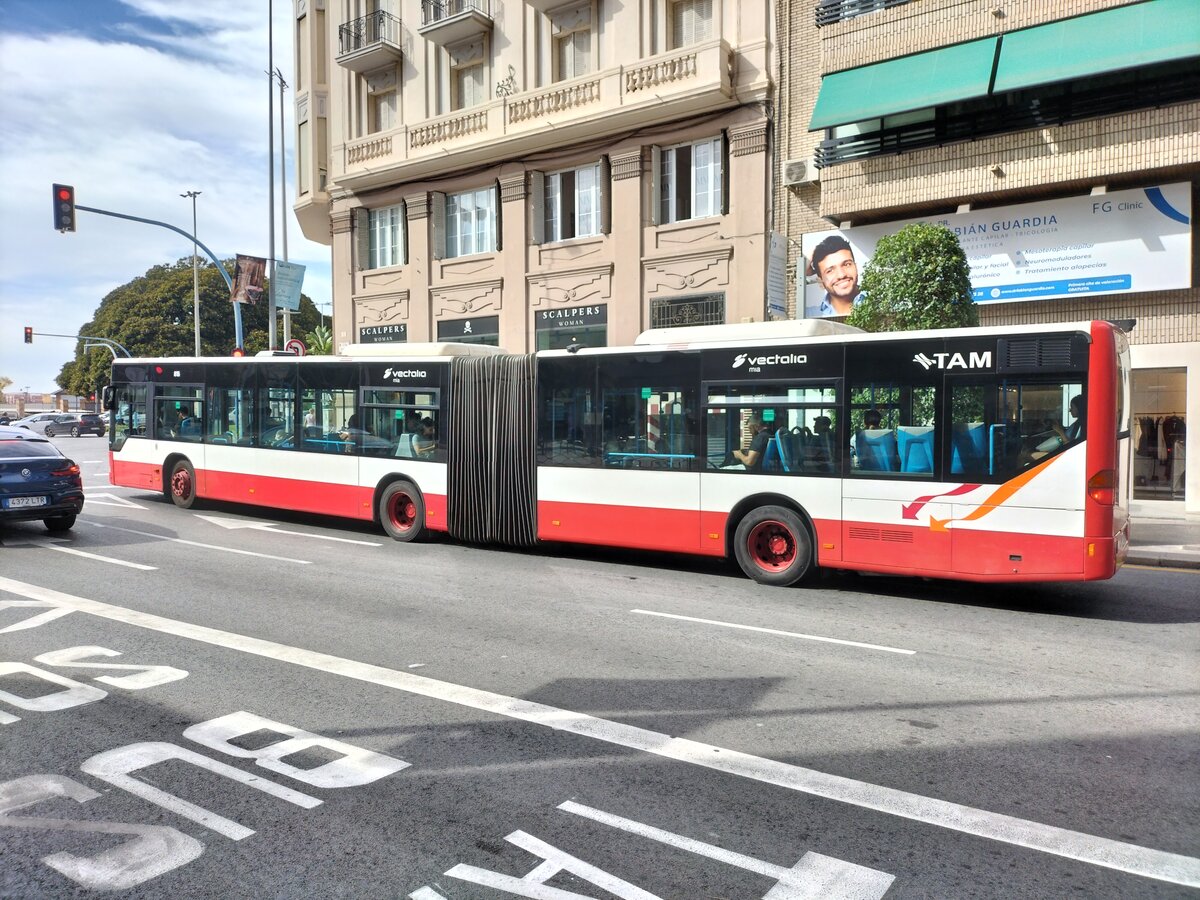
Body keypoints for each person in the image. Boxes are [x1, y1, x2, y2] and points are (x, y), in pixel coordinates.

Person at [806, 234, 864, 318]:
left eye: (847, 264)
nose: (841, 275)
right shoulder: (810, 315)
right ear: (820, 280)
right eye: (830, 271)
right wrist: (802, 269)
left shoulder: (882, 303)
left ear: (856, 267)